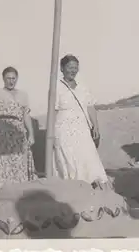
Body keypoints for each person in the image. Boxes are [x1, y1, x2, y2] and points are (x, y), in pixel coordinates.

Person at [53, 54, 109, 189]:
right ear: (62, 68)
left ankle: (89, 187)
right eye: (69, 67)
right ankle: (72, 189)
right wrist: (52, 135)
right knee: (68, 159)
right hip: (64, 130)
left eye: (75, 68)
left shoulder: (83, 87)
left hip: (82, 128)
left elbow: (90, 106)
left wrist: (95, 126)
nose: (73, 71)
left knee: (87, 156)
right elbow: (53, 111)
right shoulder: (56, 87)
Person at [0, 67, 37, 193]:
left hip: (18, 130)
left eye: (13, 78)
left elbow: (26, 115)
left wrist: (31, 134)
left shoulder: (23, 95)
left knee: (19, 159)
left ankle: (19, 189)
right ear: (3, 79)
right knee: (3, 160)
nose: (11, 81)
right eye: (8, 78)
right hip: (2, 130)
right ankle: (2, 189)